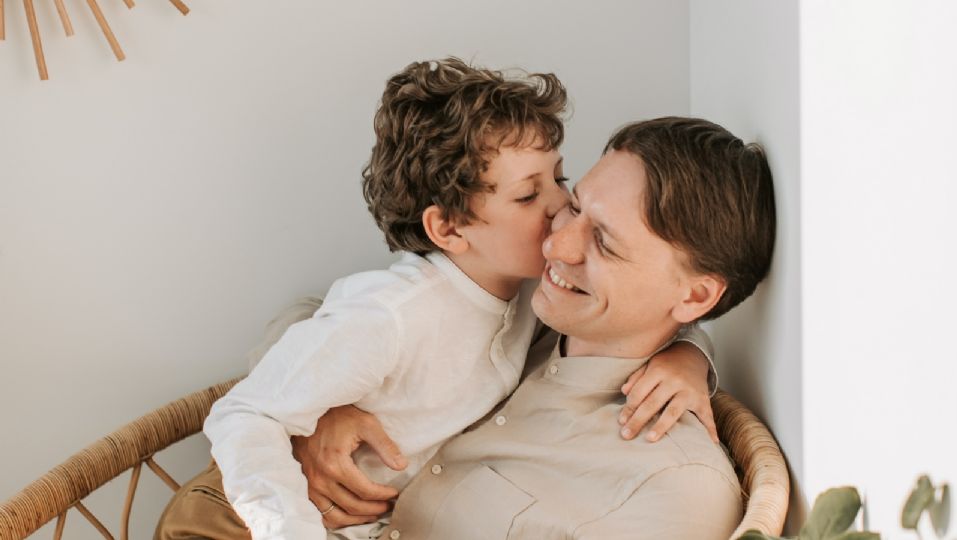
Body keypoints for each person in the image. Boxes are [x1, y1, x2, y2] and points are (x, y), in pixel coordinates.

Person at [154, 60, 716, 540]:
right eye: (528, 194)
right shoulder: (393, 315)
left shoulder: (531, 294)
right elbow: (246, 411)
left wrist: (689, 354)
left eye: (559, 179)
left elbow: (634, 315)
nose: (558, 207)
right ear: (448, 230)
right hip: (238, 520)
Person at [302, 116, 777, 539]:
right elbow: (314, 312)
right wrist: (318, 410)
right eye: (574, 206)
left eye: (605, 243)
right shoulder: (511, 299)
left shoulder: (672, 488)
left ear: (694, 296)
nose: (555, 245)